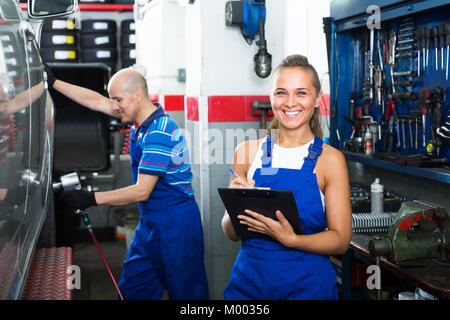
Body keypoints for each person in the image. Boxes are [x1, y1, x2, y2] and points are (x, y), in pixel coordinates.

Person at [49, 67, 208, 300]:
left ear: (137, 95)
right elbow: (95, 102)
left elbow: (142, 191)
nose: (114, 105)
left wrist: (92, 199)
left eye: (118, 99)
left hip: (177, 226)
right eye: (113, 99)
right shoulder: (138, 122)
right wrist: (54, 82)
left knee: (187, 294)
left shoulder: (159, 132)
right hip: (150, 225)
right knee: (133, 290)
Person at [221, 54, 352, 300]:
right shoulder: (247, 152)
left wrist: (292, 240)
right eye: (281, 92)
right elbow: (231, 231)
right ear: (271, 98)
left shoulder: (330, 160)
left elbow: (340, 240)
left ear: (316, 99)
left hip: (308, 288)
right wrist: (236, 208)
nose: (290, 102)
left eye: (301, 93)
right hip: (250, 286)